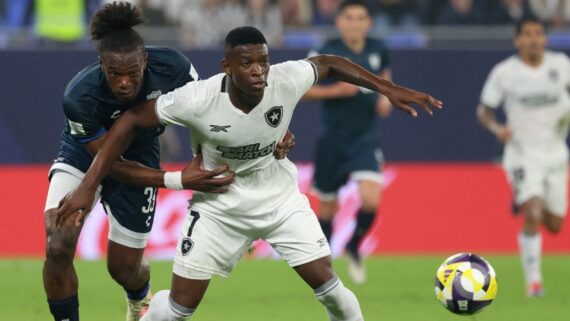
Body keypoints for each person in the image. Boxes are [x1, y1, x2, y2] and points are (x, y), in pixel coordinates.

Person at [57, 26, 442, 320]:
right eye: (247, 63)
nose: (258, 71)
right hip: (218, 207)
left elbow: (327, 64)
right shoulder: (198, 98)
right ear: (226, 67)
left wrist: (385, 87)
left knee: (330, 289)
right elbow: (130, 122)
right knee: (177, 310)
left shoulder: (284, 79)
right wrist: (88, 187)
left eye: (263, 61)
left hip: (278, 200)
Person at [43, 3, 294, 321]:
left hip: (141, 153)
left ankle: (138, 297)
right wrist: (178, 180)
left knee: (123, 268)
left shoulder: (174, 68)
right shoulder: (78, 97)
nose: (123, 82)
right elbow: (110, 162)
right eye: (114, 74)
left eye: (132, 72)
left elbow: (212, 115)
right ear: (101, 65)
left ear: (145, 61)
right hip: (83, 156)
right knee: (58, 241)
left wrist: (269, 133)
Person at [477, 17, 570, 297]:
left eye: (538, 34)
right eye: (527, 34)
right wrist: (496, 128)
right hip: (522, 153)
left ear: (545, 38)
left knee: (554, 224)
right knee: (532, 212)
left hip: (555, 152)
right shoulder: (505, 73)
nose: (533, 39)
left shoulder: (561, 65)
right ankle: (534, 283)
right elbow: (484, 110)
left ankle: (524, 199)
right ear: (517, 41)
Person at [303, 0, 392, 285]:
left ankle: (354, 245)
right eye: (349, 18)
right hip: (333, 138)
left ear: (368, 23)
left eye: (360, 18)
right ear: (339, 22)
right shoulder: (326, 52)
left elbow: (386, 81)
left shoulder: (378, 49)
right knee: (328, 208)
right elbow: (302, 89)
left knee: (371, 198)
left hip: (365, 137)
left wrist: (386, 98)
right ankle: (324, 265)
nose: (355, 23)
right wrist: (336, 91)